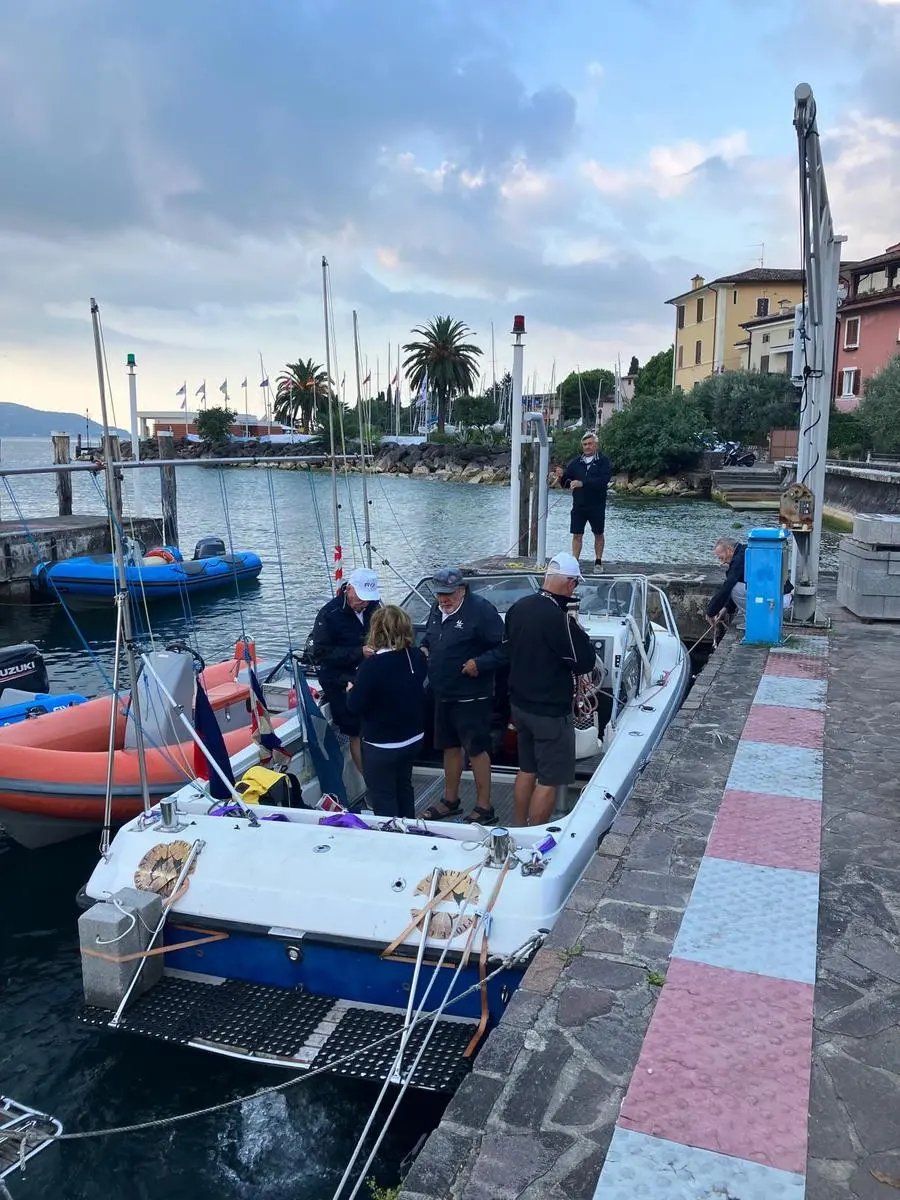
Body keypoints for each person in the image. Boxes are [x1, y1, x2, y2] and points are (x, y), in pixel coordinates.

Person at [503, 552, 598, 827]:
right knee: (550, 778)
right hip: (549, 713)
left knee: (526, 769)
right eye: (575, 584)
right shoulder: (560, 619)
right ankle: (533, 836)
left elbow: (507, 649)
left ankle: (518, 828)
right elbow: (584, 661)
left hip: (520, 707)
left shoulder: (518, 607)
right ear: (569, 583)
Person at [419, 566, 505, 826]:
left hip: (472, 695)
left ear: (462, 589)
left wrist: (480, 663)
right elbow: (432, 637)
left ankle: (484, 806)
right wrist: (424, 647)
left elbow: (504, 648)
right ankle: (450, 800)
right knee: (449, 746)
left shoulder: (481, 611)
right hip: (443, 692)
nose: (443, 599)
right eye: (439, 594)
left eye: (448, 594)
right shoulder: (437, 610)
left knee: (476, 748)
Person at [344, 606, 427, 819]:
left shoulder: (372, 666)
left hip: (382, 745)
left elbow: (354, 706)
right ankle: (409, 827)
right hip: (413, 739)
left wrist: (350, 691)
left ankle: (392, 841)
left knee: (384, 797)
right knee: (404, 787)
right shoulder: (416, 657)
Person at [311, 567, 381, 773]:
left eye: (368, 599)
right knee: (356, 730)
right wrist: (359, 652)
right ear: (349, 590)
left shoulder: (373, 608)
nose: (364, 603)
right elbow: (321, 652)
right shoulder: (329, 614)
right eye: (361, 598)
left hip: (369, 674)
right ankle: (369, 780)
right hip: (340, 679)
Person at [706, 537, 794, 626]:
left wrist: (710, 612)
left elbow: (728, 586)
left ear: (729, 550)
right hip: (781, 597)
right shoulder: (745, 553)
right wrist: (726, 608)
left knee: (734, 588)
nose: (722, 563)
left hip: (778, 602)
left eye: (721, 558)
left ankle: (756, 621)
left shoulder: (739, 559)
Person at [559, 430, 612, 570]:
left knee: (598, 533)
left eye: (590, 444)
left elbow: (603, 481)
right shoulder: (576, 462)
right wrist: (561, 476)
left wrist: (583, 483)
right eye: (585, 444)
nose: (587, 447)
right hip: (579, 504)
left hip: (597, 504)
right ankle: (575, 562)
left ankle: (598, 561)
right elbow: (565, 483)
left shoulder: (603, 461)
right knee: (577, 534)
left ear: (596, 445)